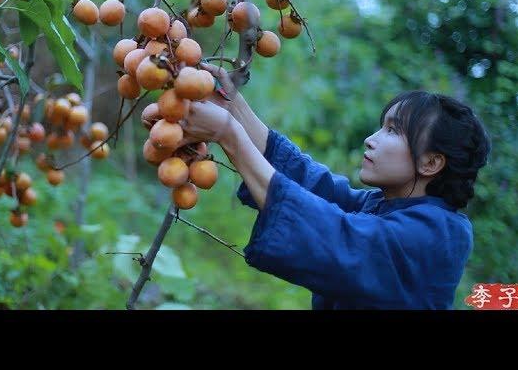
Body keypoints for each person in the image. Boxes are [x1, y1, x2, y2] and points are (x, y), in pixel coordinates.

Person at [148, 62, 492, 310]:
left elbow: (336, 232)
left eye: (393, 131)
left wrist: (228, 133)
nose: (371, 140)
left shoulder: (437, 236)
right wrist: (233, 105)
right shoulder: (384, 207)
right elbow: (312, 185)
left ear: (431, 162)